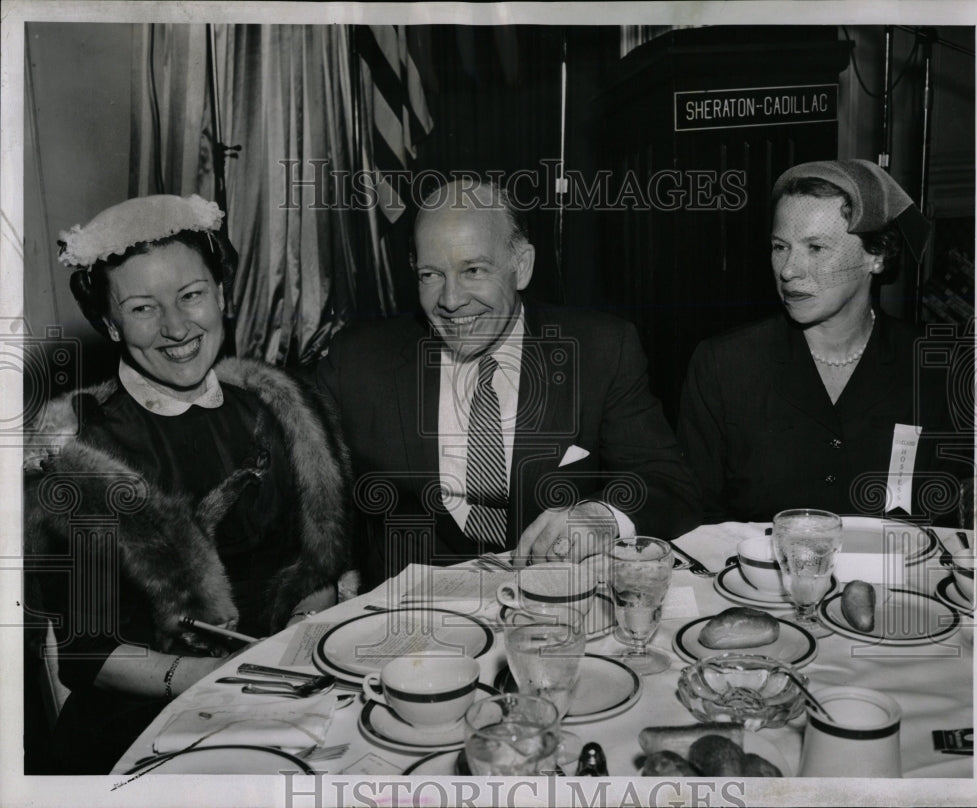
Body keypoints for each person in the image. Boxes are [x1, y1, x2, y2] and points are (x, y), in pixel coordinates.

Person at [23, 194, 351, 773]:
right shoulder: (82, 456)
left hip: (284, 692)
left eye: (192, 296)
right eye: (144, 308)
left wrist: (304, 632)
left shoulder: (278, 408)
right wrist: (198, 678)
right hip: (143, 718)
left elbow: (312, 568)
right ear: (109, 323)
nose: (177, 328)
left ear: (221, 295)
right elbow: (86, 654)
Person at [315, 179, 702, 588]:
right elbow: (299, 493)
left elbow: (669, 485)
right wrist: (317, 587)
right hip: (411, 620)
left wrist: (600, 516)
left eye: (473, 270)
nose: (450, 300)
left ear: (522, 266)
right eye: (430, 274)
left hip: (553, 611)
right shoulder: (357, 363)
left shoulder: (600, 351)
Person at [677, 159, 968, 523]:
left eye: (815, 248)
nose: (788, 270)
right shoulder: (724, 365)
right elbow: (694, 514)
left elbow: (957, 515)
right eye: (780, 246)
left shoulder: (937, 365)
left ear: (875, 256)